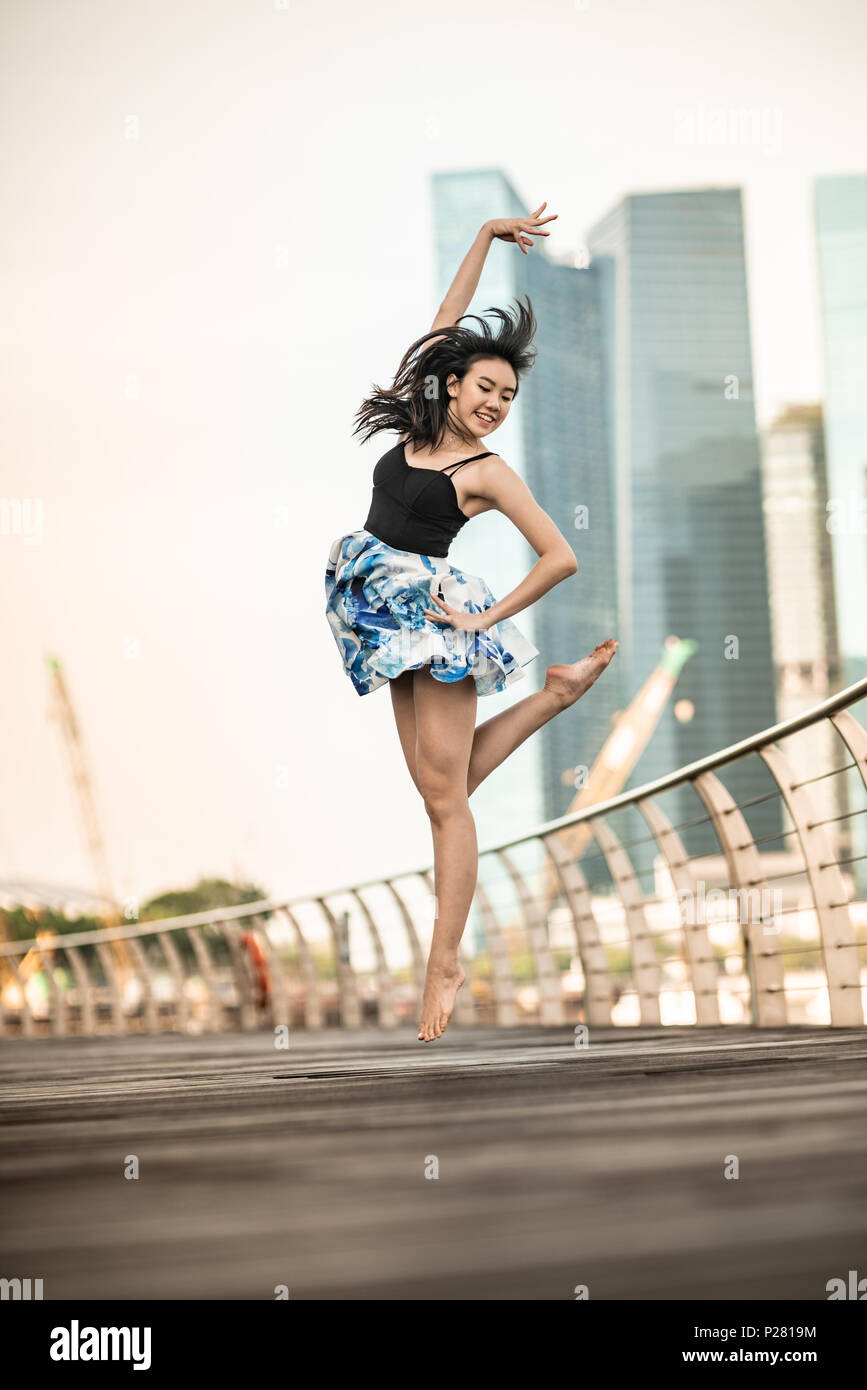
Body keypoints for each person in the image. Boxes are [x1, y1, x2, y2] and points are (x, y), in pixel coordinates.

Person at [325, 203, 618, 1043]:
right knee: (436, 786)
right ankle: (552, 695)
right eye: (484, 386)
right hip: (381, 609)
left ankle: (443, 963)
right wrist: (487, 238)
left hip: (437, 621)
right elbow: (440, 329)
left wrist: (485, 613)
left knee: (446, 804)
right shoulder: (418, 421)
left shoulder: (487, 470)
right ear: (452, 384)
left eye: (507, 396)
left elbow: (558, 556)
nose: (494, 402)